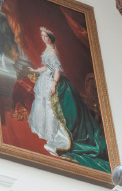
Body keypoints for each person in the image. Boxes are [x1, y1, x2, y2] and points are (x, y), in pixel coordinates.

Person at [27, 27, 110, 173]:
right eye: (42, 35)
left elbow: (57, 70)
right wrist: (36, 71)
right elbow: (47, 67)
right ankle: (49, 132)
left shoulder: (53, 51)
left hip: (56, 82)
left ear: (51, 37)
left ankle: (60, 136)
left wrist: (54, 84)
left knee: (57, 109)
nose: (43, 38)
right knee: (45, 106)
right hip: (46, 80)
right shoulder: (48, 49)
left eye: (45, 36)